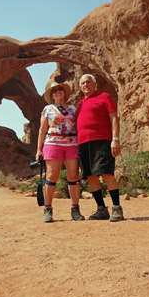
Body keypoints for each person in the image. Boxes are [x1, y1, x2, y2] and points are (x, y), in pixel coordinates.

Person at [76, 74, 124, 221]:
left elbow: (114, 117)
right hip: (83, 143)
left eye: (88, 82)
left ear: (95, 84)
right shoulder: (80, 104)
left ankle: (117, 208)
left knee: (106, 173)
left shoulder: (104, 97)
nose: (85, 85)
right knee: (91, 176)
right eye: (83, 83)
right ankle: (102, 210)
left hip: (102, 140)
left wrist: (115, 139)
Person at [36, 82, 84, 223]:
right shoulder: (47, 109)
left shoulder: (73, 109)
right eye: (55, 90)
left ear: (64, 93)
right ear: (51, 95)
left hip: (71, 144)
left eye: (60, 89)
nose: (58, 91)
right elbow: (42, 130)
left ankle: (75, 210)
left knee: (73, 176)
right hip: (53, 144)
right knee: (51, 176)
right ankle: (47, 210)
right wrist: (39, 149)